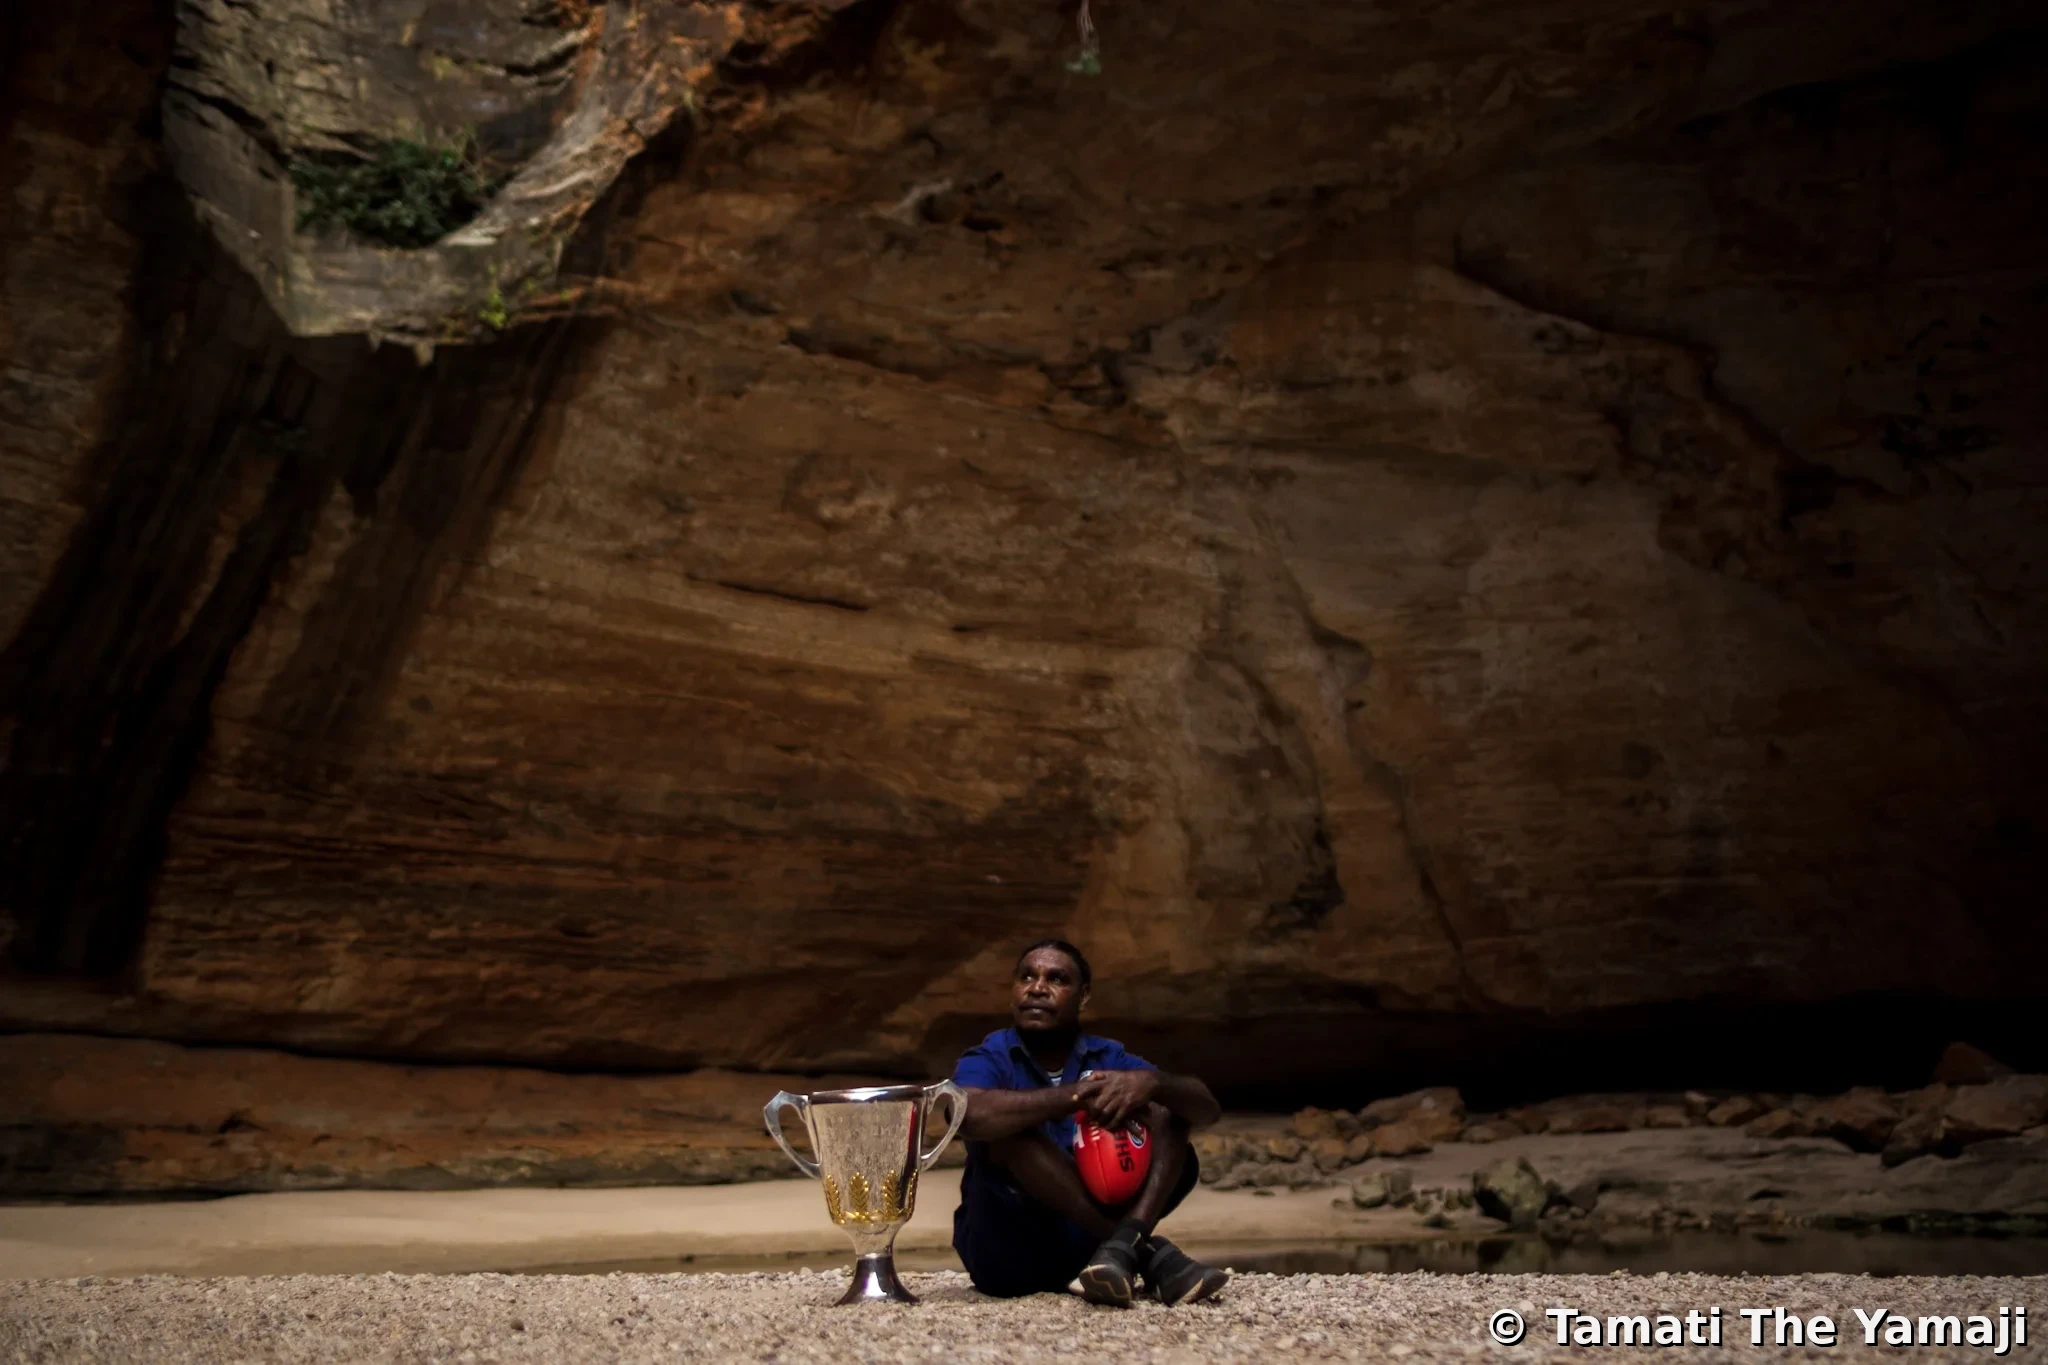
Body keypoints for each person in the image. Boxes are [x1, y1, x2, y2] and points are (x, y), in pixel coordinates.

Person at [949, 938, 1231, 1306]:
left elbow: (1205, 1110)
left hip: (1089, 1252)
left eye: (1057, 979)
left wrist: (1154, 1083)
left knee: (1166, 1106)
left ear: (1083, 997)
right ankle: (1141, 1252)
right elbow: (969, 1116)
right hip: (1010, 1256)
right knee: (1006, 1132)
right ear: (1014, 989)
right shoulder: (991, 1055)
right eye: (1027, 977)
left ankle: (1122, 1245)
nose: (1037, 988)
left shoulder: (1107, 1055)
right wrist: (1077, 1095)